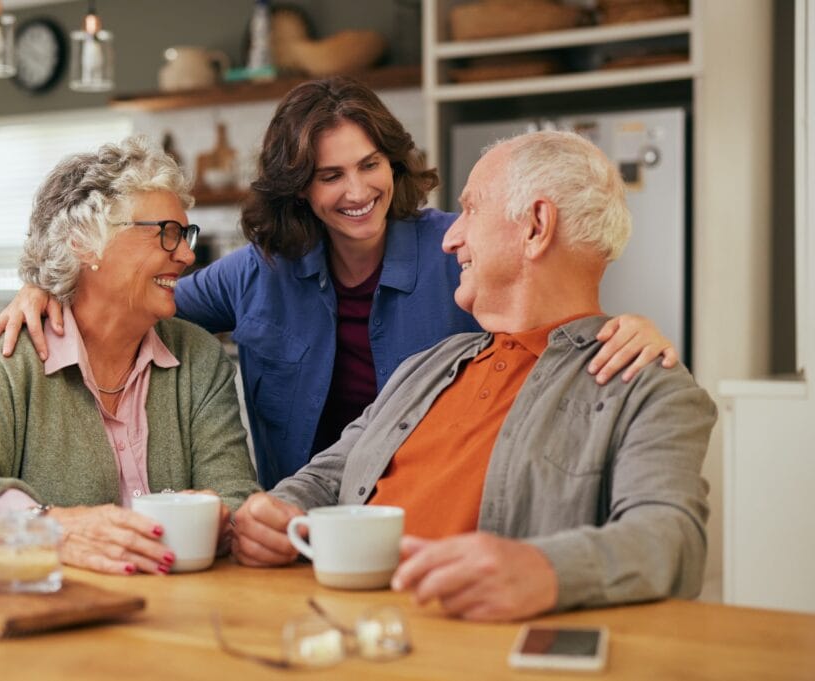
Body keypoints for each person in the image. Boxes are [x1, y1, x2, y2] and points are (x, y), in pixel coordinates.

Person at [0, 77, 678, 489]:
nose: (357, 191)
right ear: (299, 189)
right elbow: (134, 301)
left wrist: (625, 327)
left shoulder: (453, 247)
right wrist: (49, 289)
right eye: (330, 174)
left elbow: (550, 313)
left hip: (435, 512)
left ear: (393, 165)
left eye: (369, 165)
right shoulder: (261, 268)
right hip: (305, 519)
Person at [230, 130, 717, 621]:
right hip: (338, 628)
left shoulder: (645, 386)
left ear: (536, 226)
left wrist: (546, 570)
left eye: (471, 210)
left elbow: (672, 538)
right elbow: (326, 477)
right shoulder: (428, 365)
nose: (450, 237)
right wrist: (276, 513)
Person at [0, 137, 259, 575]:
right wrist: (49, 527)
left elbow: (236, 498)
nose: (185, 254)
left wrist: (219, 516)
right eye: (167, 233)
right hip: (58, 613)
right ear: (85, 244)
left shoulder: (199, 358)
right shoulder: (11, 360)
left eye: (185, 234)